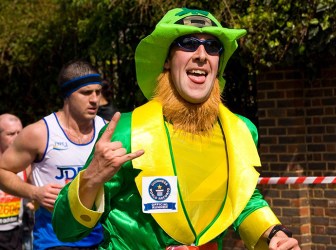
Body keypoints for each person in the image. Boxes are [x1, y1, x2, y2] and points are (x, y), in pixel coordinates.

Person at [52, 8, 301, 250]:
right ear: (168, 61)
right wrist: (90, 180)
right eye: (188, 43)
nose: (202, 54)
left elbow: (243, 201)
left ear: (218, 63)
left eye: (213, 47)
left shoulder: (240, 131)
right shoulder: (128, 132)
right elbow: (66, 230)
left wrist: (272, 233)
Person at [0, 60, 107, 249]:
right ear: (68, 95)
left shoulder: (107, 130)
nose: (94, 99)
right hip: (53, 240)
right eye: (86, 92)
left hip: (100, 238)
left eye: (98, 92)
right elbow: (2, 170)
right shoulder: (40, 133)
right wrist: (34, 192)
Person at [0, 113, 32, 250]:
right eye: (11, 134)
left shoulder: (27, 164)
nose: (17, 138)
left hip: (17, 233)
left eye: (20, 133)